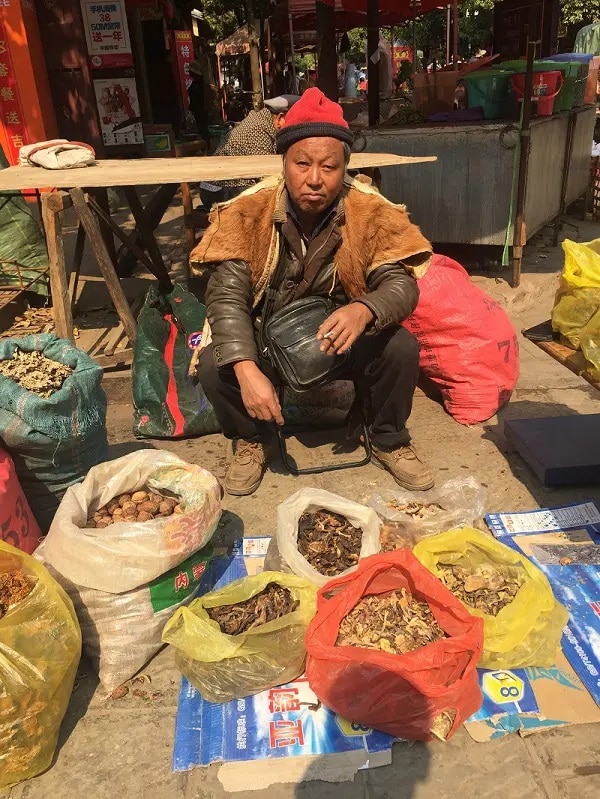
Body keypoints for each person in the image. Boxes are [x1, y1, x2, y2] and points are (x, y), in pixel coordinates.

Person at [193, 88, 434, 496]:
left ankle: (388, 437)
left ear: (345, 169)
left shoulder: (369, 211)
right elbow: (226, 297)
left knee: (401, 348)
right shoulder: (247, 212)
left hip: (339, 338)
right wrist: (247, 368)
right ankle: (252, 440)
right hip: (268, 338)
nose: (315, 179)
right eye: (302, 163)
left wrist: (365, 310)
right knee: (217, 368)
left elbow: (401, 284)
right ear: (284, 163)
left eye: (329, 166)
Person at [200, 94, 299, 207]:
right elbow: (268, 177)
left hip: (229, 185)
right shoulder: (259, 131)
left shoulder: (265, 123)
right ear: (280, 119)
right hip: (217, 190)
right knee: (272, 196)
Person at [188, 61, 210, 142]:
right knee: (203, 129)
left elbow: (197, 98)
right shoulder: (200, 83)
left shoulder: (198, 84)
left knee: (202, 129)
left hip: (200, 110)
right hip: (201, 109)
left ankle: (205, 146)